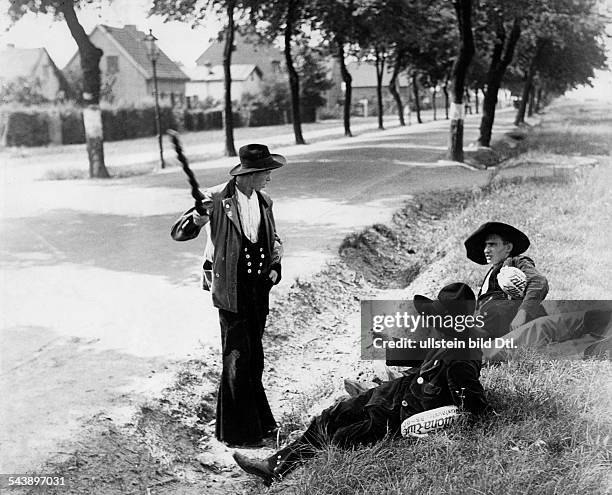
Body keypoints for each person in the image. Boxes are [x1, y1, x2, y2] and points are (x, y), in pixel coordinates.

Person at [233, 283, 491, 485]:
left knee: (340, 437)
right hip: (391, 394)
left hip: (396, 415)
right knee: (329, 416)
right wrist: (389, 342)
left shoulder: (462, 355)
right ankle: (273, 466)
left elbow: (473, 405)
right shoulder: (450, 338)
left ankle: (279, 471)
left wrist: (440, 426)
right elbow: (425, 352)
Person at [171, 143, 285, 447]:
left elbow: (273, 240)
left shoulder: (264, 201)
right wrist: (197, 217)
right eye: (266, 173)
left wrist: (275, 268)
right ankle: (238, 433)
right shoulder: (217, 199)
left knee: (255, 357)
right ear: (251, 173)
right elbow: (179, 232)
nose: (269, 178)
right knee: (237, 356)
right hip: (231, 287)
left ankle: (259, 424)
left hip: (259, 289)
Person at [464, 222, 549, 338]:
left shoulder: (516, 261)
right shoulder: (490, 274)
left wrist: (523, 312)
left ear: (508, 247)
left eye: (492, 245)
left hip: (514, 325)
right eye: (485, 246)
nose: (486, 250)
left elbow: (538, 282)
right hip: (489, 327)